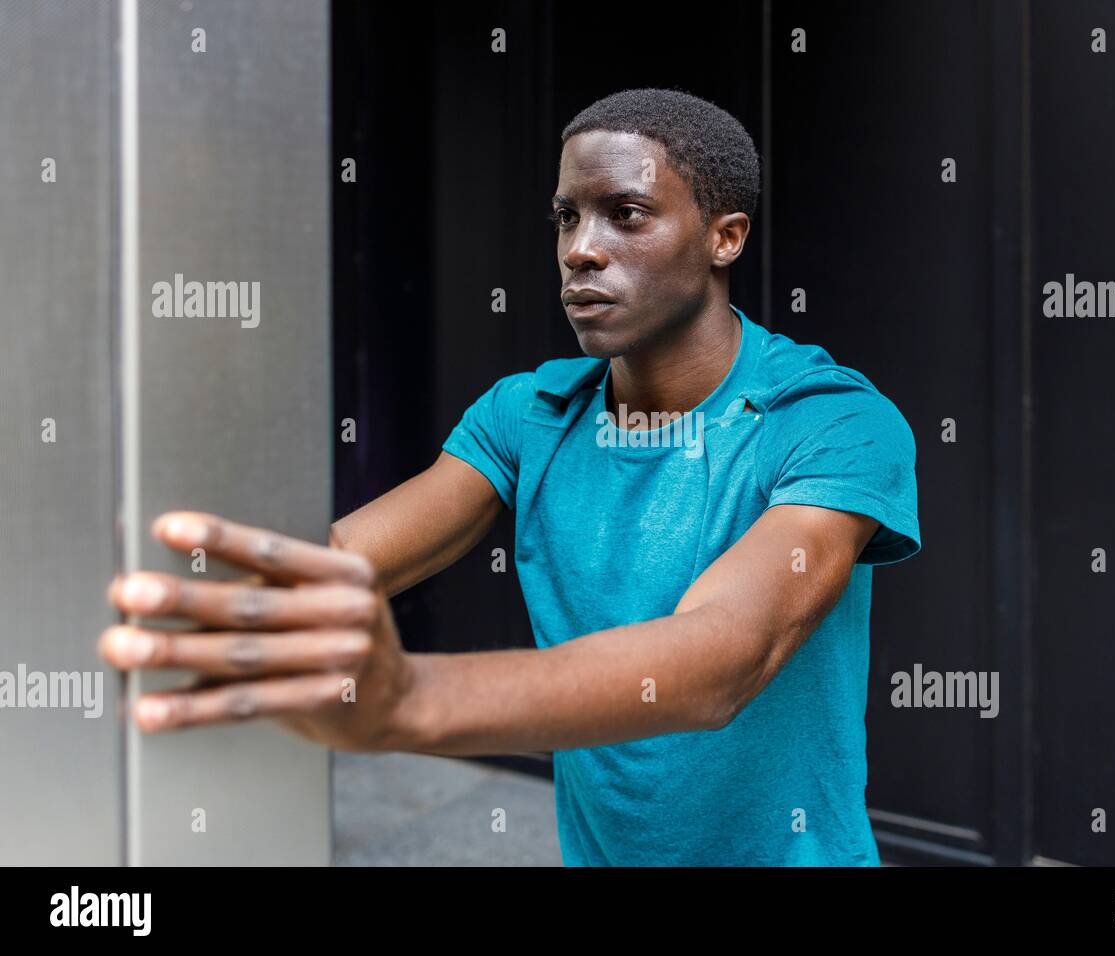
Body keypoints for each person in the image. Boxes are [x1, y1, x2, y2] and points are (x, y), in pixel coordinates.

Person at [99, 88, 922, 866]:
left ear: (725, 237)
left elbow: (725, 657)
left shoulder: (830, 421)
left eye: (624, 214)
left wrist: (408, 698)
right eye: (566, 217)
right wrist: (191, 591)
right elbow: (344, 555)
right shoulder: (528, 414)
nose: (580, 249)